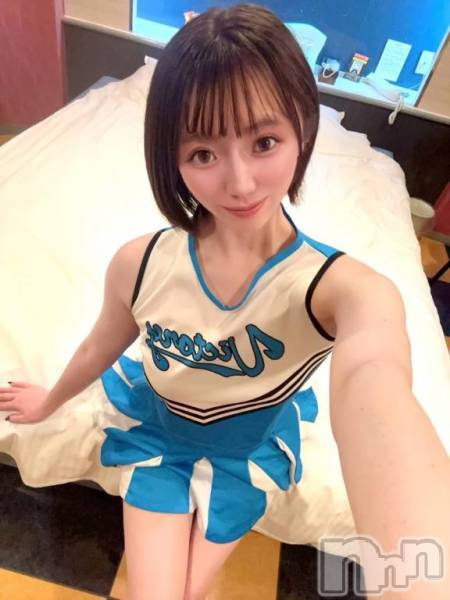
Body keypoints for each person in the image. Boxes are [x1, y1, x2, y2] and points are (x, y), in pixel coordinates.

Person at [0, 5, 448, 600]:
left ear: (302, 131)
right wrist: (51, 399)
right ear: (172, 159)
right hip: (159, 439)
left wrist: (424, 581)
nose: (240, 184)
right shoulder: (141, 263)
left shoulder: (344, 289)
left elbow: (377, 384)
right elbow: (100, 344)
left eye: (264, 142)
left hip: (247, 452)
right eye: (203, 154)